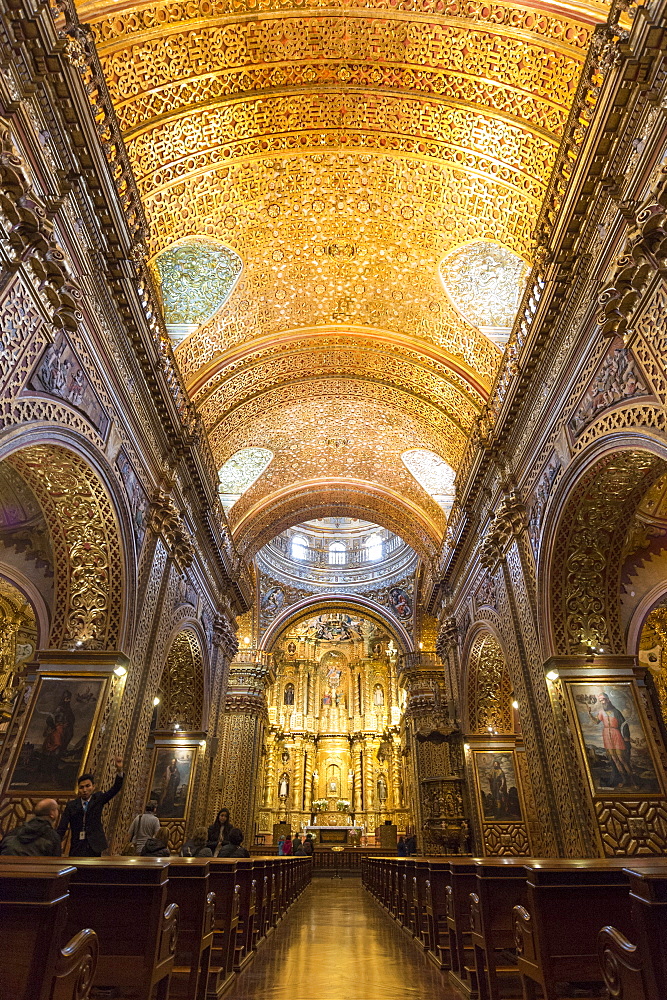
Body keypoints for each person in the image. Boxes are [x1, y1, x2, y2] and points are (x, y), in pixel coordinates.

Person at [57, 757, 124, 857]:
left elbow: (115, 789)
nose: (84, 790)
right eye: (81, 787)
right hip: (77, 845)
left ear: (93, 787)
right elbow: (62, 827)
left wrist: (119, 770)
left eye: (87, 786)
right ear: (78, 789)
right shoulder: (71, 806)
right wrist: (56, 843)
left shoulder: (98, 799)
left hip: (95, 844)